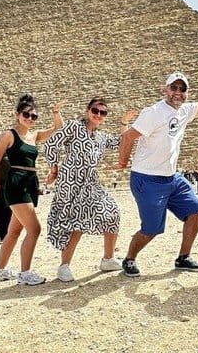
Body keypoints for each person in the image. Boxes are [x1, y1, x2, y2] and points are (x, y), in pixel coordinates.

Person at [116, 72, 198, 277]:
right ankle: (129, 258)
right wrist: (122, 162)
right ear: (166, 89)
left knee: (195, 211)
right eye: (174, 87)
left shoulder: (185, 110)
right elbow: (128, 136)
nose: (178, 92)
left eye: (183, 89)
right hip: (147, 178)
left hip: (172, 177)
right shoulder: (153, 113)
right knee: (151, 229)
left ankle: (183, 258)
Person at [43, 96, 137, 282]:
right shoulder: (74, 127)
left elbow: (123, 141)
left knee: (112, 212)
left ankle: (108, 259)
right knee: (75, 223)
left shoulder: (101, 137)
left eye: (103, 112)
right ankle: (64, 266)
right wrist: (54, 169)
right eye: (95, 110)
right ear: (87, 111)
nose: (99, 115)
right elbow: (51, 144)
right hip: (71, 182)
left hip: (91, 183)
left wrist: (124, 123)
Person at [0, 94, 64, 285]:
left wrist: (56, 113)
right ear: (17, 114)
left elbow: (58, 129)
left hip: (30, 183)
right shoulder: (9, 135)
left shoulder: (34, 135)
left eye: (34, 116)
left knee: (14, 230)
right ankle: (25, 273)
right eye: (26, 114)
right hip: (17, 183)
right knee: (34, 229)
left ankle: (0, 271)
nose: (30, 118)